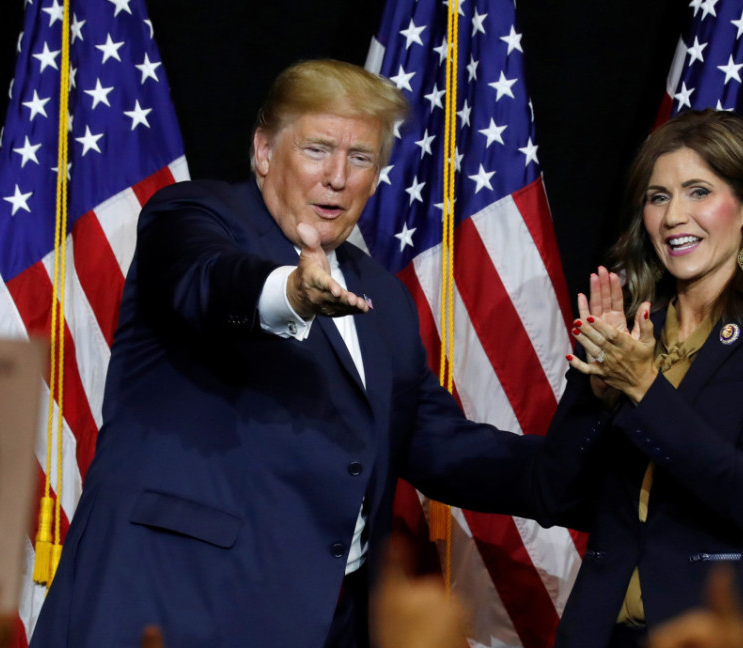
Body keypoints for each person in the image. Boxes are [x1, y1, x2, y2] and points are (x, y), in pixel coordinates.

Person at [29, 59, 588, 648]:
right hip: (170, 606)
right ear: (265, 151)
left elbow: (442, 444)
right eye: (318, 149)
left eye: (362, 158)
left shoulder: (385, 301)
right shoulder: (193, 214)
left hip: (320, 624)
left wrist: (598, 456)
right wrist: (290, 294)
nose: (338, 177)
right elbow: (208, 282)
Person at [538, 109, 743, 647]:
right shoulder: (631, 330)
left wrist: (643, 388)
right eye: (657, 197)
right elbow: (555, 493)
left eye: (698, 191)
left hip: (711, 631)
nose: (674, 215)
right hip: (599, 631)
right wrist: (601, 394)